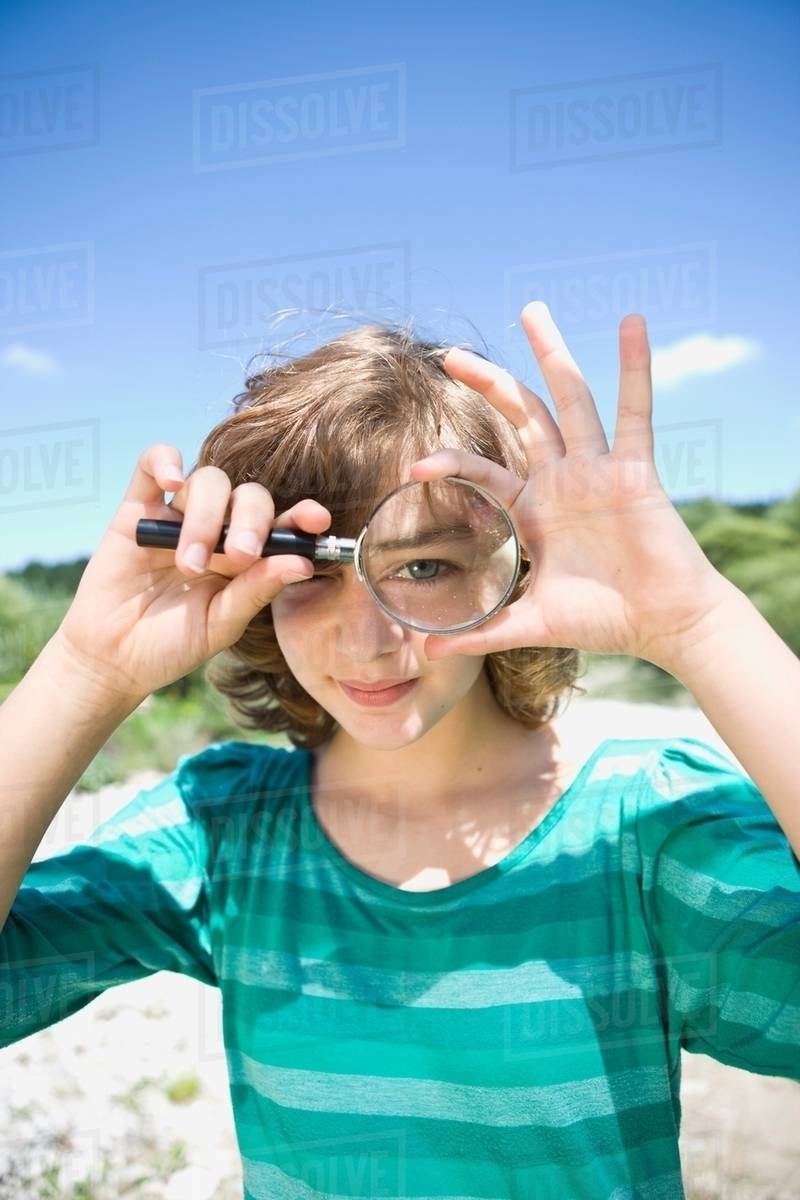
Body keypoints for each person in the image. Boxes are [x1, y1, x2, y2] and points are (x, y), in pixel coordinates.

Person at [1, 302, 798, 1200]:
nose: (369, 642)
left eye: (422, 567)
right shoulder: (225, 831)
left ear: (517, 567)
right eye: (308, 573)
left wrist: (700, 624)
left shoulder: (644, 833)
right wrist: (84, 671)